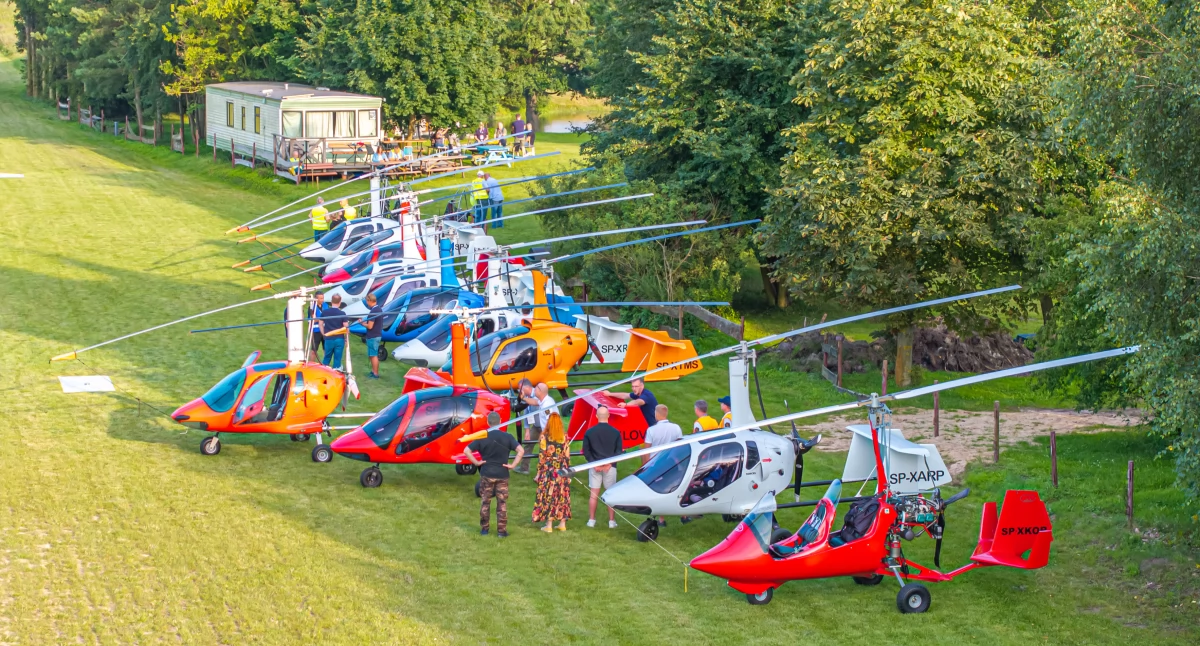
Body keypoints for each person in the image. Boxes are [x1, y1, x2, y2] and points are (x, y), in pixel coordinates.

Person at [465, 411, 524, 538]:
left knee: (485, 501)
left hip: (486, 473)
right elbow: (521, 450)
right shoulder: (508, 437)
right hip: (502, 473)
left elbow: (466, 450)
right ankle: (501, 532)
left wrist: (477, 462)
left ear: (487, 422)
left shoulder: (482, 437)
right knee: (502, 503)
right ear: (500, 421)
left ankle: (484, 530)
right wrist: (513, 465)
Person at [641, 404, 682, 526]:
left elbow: (646, 450)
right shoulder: (676, 428)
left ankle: (661, 519)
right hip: (672, 462)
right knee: (677, 487)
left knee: (659, 489)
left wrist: (645, 466)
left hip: (656, 464)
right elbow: (680, 446)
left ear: (657, 414)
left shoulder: (651, 430)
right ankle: (684, 515)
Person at [582, 405, 622, 528]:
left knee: (594, 493)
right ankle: (611, 521)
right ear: (608, 416)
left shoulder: (589, 432)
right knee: (610, 494)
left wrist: (595, 464)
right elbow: (619, 451)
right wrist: (609, 464)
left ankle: (591, 520)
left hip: (595, 466)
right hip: (610, 467)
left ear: (596, 416)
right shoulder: (615, 432)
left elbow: (586, 451)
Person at [532, 412, 572, 532]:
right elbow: (567, 457)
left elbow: (542, 458)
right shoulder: (565, 437)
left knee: (549, 496)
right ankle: (562, 523)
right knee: (562, 496)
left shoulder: (544, 437)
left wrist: (538, 473)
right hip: (562, 471)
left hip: (549, 472)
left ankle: (549, 525)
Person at [517, 383, 557, 474]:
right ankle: (525, 469)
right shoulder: (542, 400)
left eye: (536, 389)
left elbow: (549, 422)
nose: (534, 390)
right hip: (540, 428)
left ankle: (543, 474)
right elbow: (534, 402)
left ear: (540, 391)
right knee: (530, 444)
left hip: (550, 433)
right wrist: (523, 398)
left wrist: (542, 435)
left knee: (545, 452)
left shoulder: (547, 405)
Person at [320, 294, 349, 369]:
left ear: (331, 301)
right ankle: (336, 372)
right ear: (340, 302)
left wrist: (323, 334)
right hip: (339, 339)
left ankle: (324, 372)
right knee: (337, 359)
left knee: (327, 358)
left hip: (328, 338)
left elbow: (320, 324)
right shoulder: (342, 314)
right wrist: (346, 338)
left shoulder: (325, 312)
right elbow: (346, 327)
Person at [362, 293, 383, 379]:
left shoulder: (373, 311)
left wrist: (362, 323)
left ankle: (375, 374)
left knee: (373, 355)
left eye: (367, 301)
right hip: (376, 335)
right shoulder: (379, 309)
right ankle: (373, 371)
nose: (367, 303)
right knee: (372, 354)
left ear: (370, 301)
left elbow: (370, 326)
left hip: (373, 336)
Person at [308, 292, 329, 362]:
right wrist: (322, 318)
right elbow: (312, 320)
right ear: (316, 299)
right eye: (321, 298)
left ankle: (326, 365)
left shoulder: (326, 305)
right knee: (314, 350)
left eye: (323, 298)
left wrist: (319, 318)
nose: (322, 300)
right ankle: (311, 365)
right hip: (315, 331)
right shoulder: (311, 307)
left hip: (325, 330)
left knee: (326, 349)